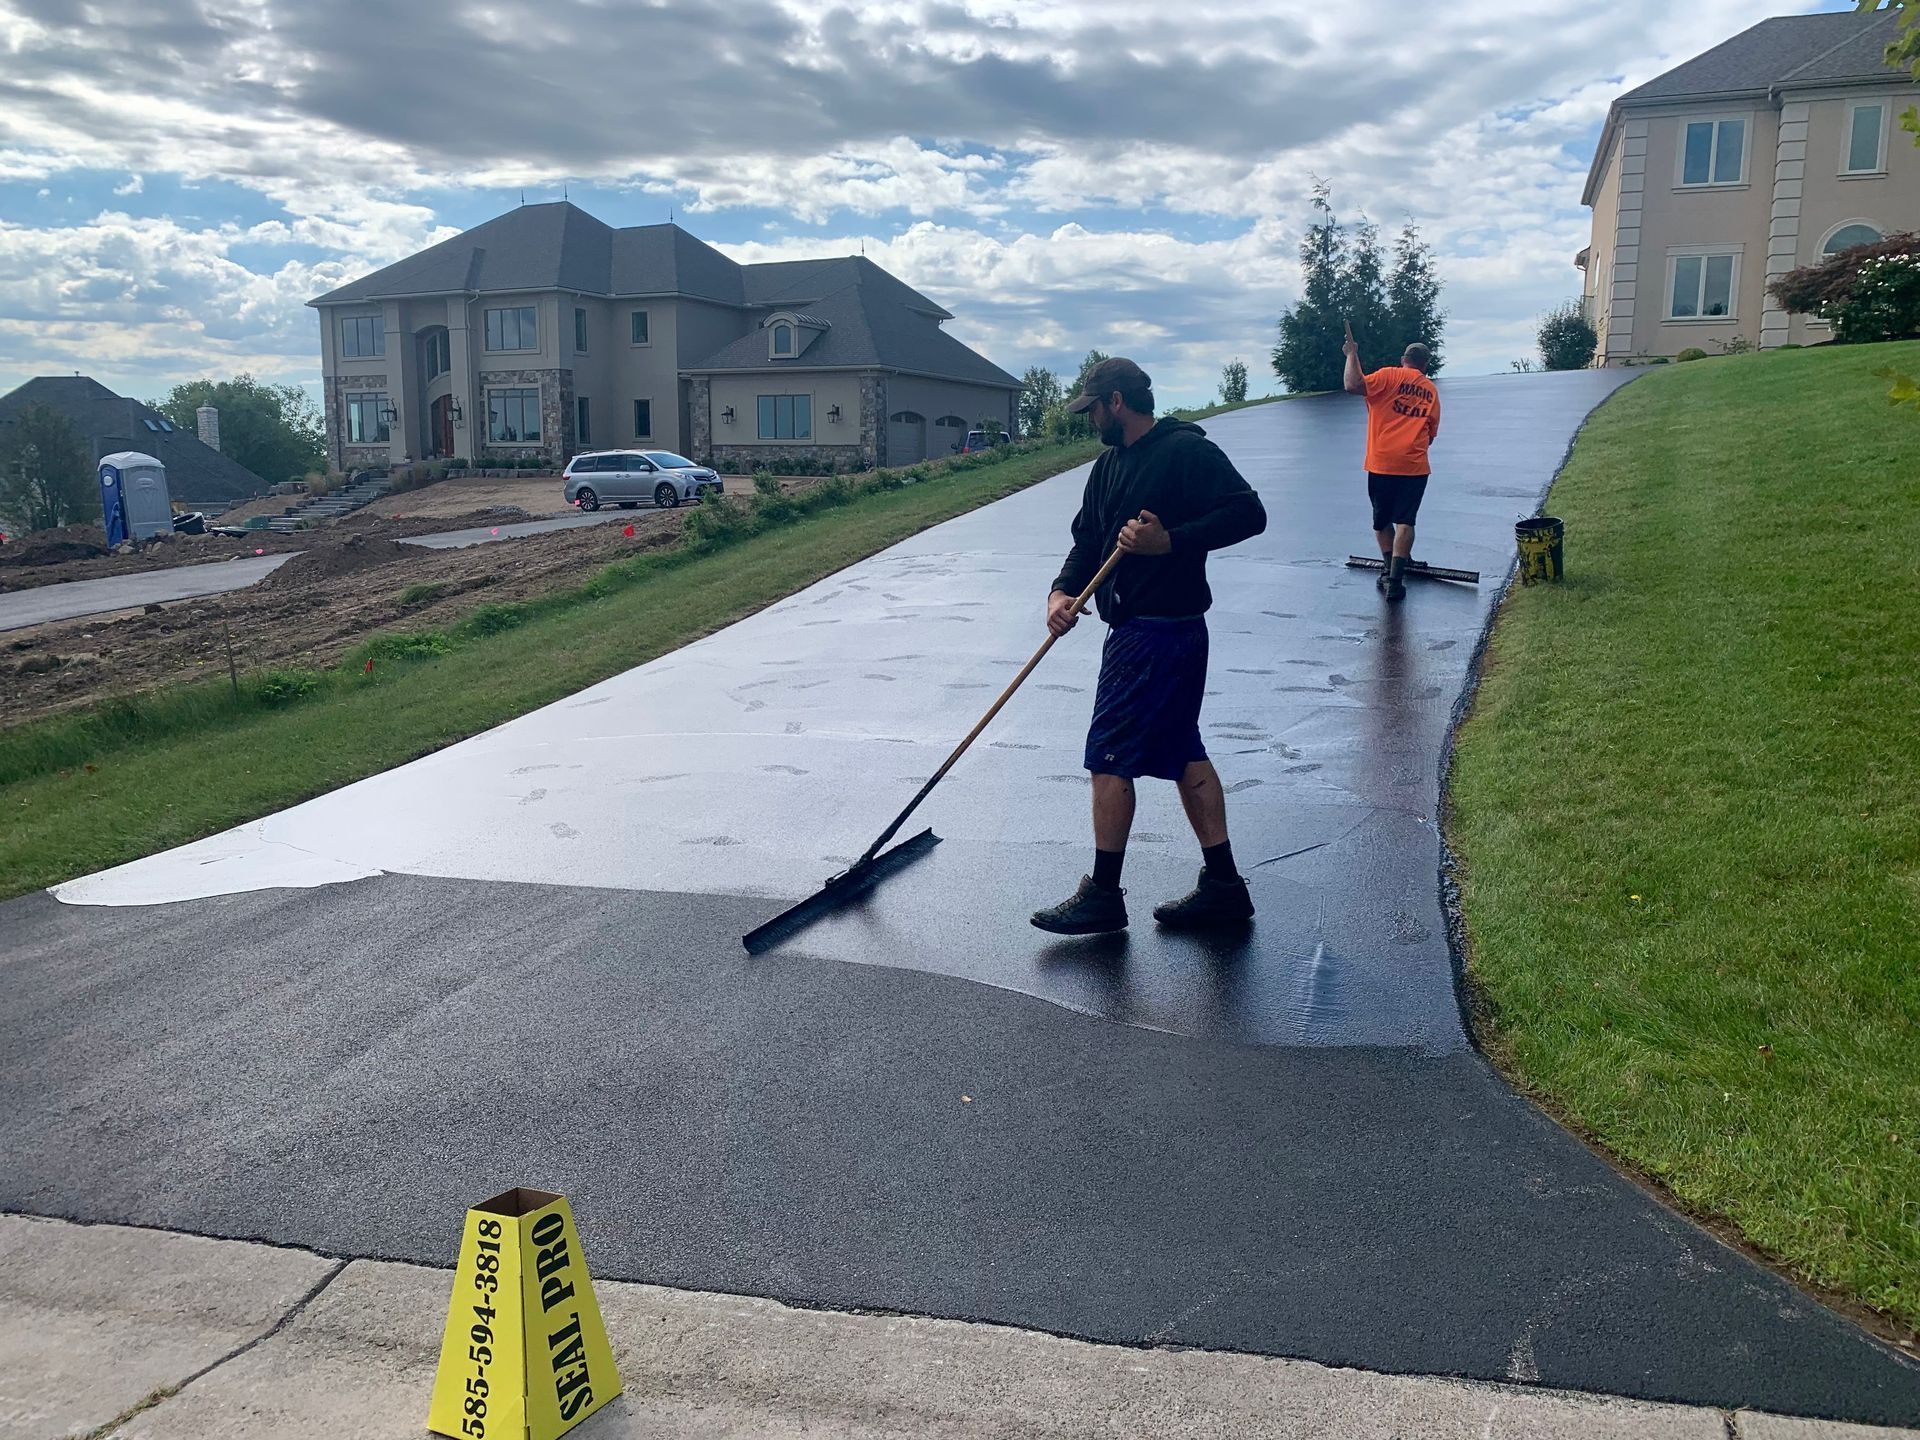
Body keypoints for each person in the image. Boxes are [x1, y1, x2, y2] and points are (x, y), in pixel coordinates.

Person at [1030, 357, 1268, 936]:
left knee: (1109, 755)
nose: (1090, 421)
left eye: (1092, 409)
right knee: (1183, 752)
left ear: (1116, 401)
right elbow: (1088, 539)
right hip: (1144, 631)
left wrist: (1170, 541)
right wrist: (1061, 592)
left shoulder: (1185, 451)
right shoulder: (1108, 466)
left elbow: (1249, 514)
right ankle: (1224, 886)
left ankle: (1103, 895)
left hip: (1158, 633)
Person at [1343, 322, 1439, 602]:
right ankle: (1396, 582)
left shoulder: (1387, 375)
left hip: (1382, 462)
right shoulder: (1430, 390)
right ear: (1425, 365)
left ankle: (1388, 570)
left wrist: (1351, 355)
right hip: (1414, 465)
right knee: (1406, 521)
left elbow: (1353, 385)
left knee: (1382, 521)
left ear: (1403, 359)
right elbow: (1431, 433)